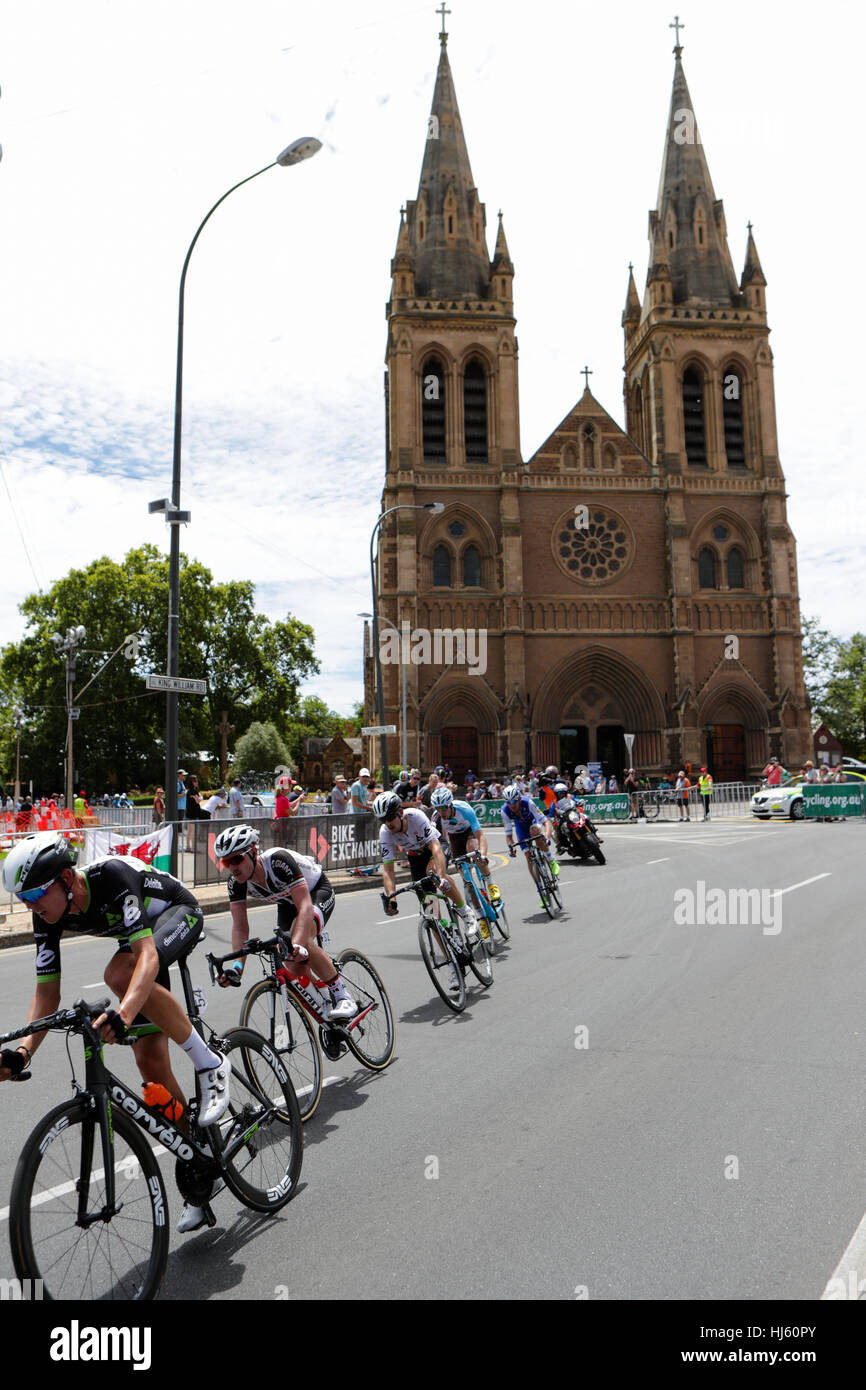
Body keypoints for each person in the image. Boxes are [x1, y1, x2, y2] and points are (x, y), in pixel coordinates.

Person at [0, 832, 232, 1234]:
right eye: (24, 900)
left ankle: (210, 1063)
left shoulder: (111, 876)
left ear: (67, 879)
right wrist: (22, 1053)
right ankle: (198, 1167)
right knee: (151, 1068)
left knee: (119, 973)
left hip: (178, 913)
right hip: (141, 939)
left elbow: (145, 956)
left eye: (36, 894)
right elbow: (47, 992)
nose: (31, 906)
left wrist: (123, 1015)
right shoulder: (47, 916)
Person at [212, 823, 356, 1019]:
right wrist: (238, 968)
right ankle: (326, 1009)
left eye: (237, 859)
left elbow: (304, 904)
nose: (233, 867)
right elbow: (240, 927)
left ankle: (343, 996)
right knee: (292, 965)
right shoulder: (236, 884)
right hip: (287, 904)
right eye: (227, 862)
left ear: (253, 852)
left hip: (315, 892)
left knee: (299, 940)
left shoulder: (278, 860)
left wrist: (296, 943)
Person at [377, 791, 481, 993]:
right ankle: (453, 964)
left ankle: (465, 911)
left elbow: (436, 849)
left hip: (435, 848)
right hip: (415, 857)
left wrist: (441, 877)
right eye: (383, 819)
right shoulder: (385, 832)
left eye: (390, 818)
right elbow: (388, 870)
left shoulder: (415, 816)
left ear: (400, 812)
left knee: (433, 872)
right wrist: (391, 898)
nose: (388, 823)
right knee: (432, 914)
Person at [430, 785, 499, 901]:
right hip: (454, 837)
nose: (441, 812)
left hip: (469, 831)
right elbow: (437, 844)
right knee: (467, 880)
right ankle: (480, 914)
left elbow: (480, 835)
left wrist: (483, 855)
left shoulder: (464, 809)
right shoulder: (436, 818)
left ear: (450, 804)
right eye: (438, 808)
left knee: (473, 849)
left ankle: (491, 883)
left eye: (444, 808)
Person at [500, 783, 558, 907]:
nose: (512, 805)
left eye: (514, 801)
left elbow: (546, 822)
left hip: (533, 821)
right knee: (528, 856)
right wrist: (511, 847)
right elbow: (509, 835)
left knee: (535, 832)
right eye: (508, 802)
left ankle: (551, 860)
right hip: (521, 827)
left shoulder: (528, 802)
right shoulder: (504, 811)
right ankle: (541, 891)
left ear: (519, 799)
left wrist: (547, 838)